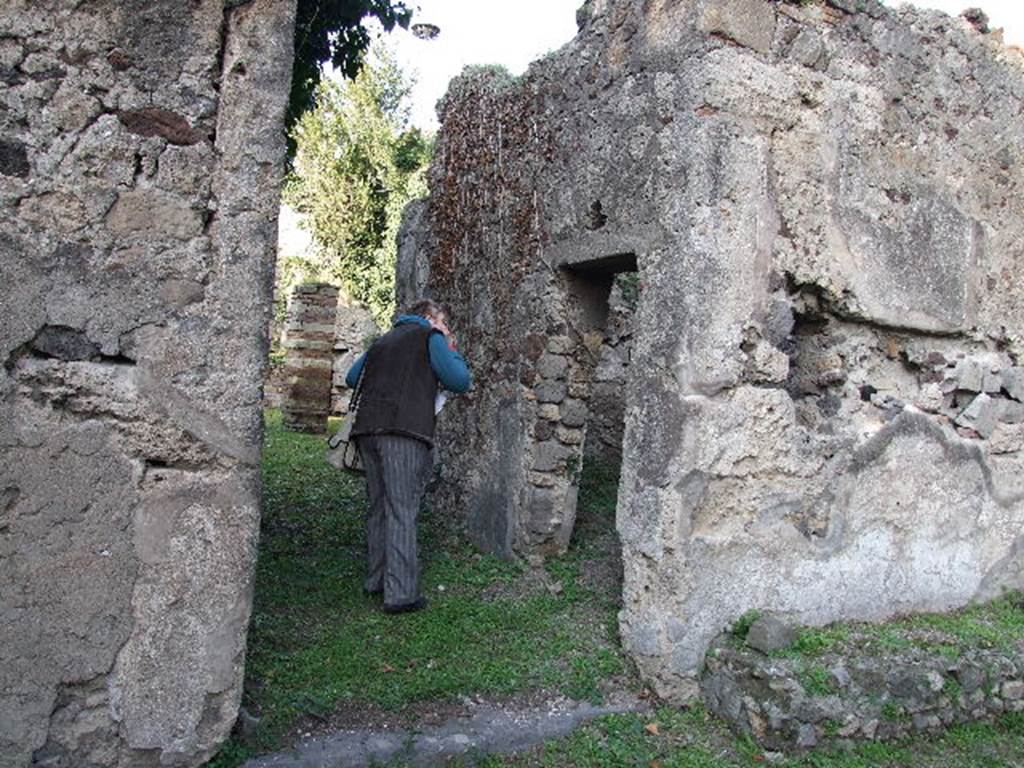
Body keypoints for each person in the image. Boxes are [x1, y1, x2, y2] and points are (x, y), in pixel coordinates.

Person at [344, 299, 471, 614]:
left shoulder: (383, 341)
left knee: (378, 507)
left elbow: (351, 378)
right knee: (402, 508)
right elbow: (460, 380)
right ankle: (400, 595)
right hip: (403, 431)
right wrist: (450, 348)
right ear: (429, 317)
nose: (445, 328)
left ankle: (376, 580)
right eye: (443, 321)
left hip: (367, 430)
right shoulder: (430, 336)